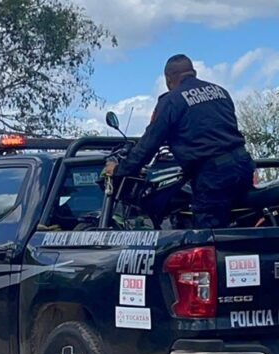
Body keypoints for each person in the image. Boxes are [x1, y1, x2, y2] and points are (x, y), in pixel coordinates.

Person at [105, 54, 256, 228]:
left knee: (209, 235)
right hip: (244, 166)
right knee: (242, 224)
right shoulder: (221, 92)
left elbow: (149, 144)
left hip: (213, 176)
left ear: (168, 80)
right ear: (194, 72)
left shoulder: (171, 100)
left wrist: (120, 169)